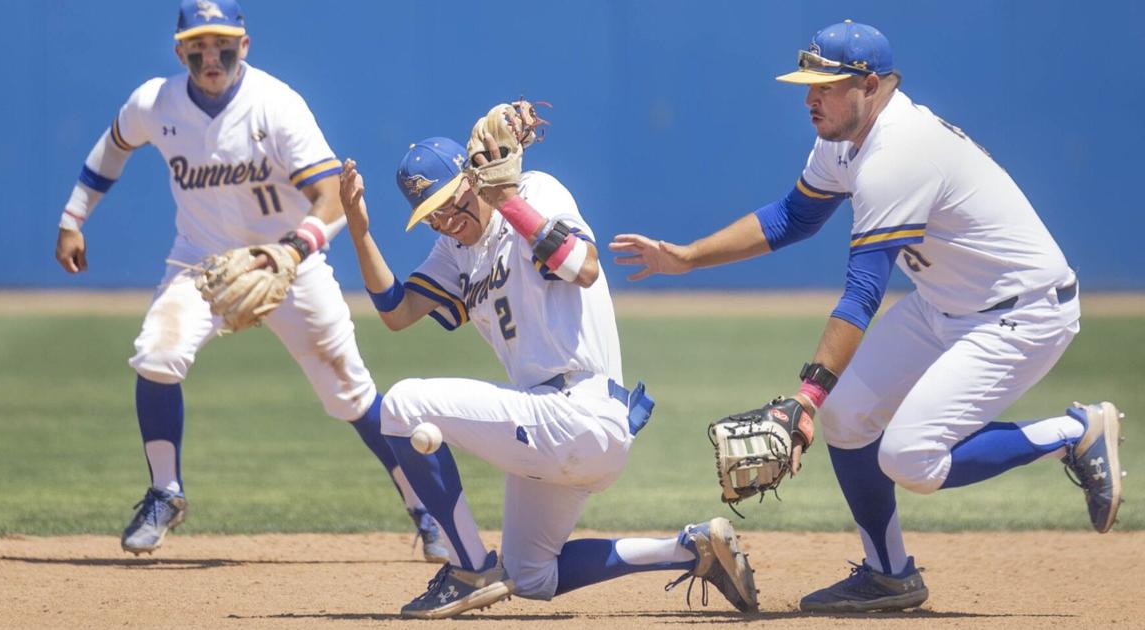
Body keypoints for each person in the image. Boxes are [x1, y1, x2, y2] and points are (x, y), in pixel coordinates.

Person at [611, 20, 1124, 613]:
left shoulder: (897, 154)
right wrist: (688, 258)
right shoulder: (841, 139)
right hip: (944, 303)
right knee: (850, 417)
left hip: (1023, 312)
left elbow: (861, 295)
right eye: (808, 85)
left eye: (824, 86)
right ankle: (889, 575)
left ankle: (1072, 433)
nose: (810, 99)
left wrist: (805, 397)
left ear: (870, 86)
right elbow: (792, 218)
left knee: (910, 456)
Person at [52, 0, 447, 561]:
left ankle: (425, 508)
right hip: (201, 262)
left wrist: (291, 250)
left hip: (292, 263)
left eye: (224, 45)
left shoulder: (276, 104)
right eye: (198, 46)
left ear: (245, 45)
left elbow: (332, 196)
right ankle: (165, 492)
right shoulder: (155, 102)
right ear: (179, 50)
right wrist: (73, 217)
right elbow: (113, 145)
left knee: (351, 393)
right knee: (157, 356)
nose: (211, 56)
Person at [336, 120, 757, 618]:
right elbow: (397, 313)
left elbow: (584, 267)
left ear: (472, 179)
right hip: (548, 423)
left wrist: (508, 199)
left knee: (404, 403)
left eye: (452, 204)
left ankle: (468, 569)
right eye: (433, 216)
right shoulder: (455, 248)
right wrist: (360, 232)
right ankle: (691, 549)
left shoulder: (536, 192)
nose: (448, 221)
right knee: (531, 574)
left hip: (583, 410)